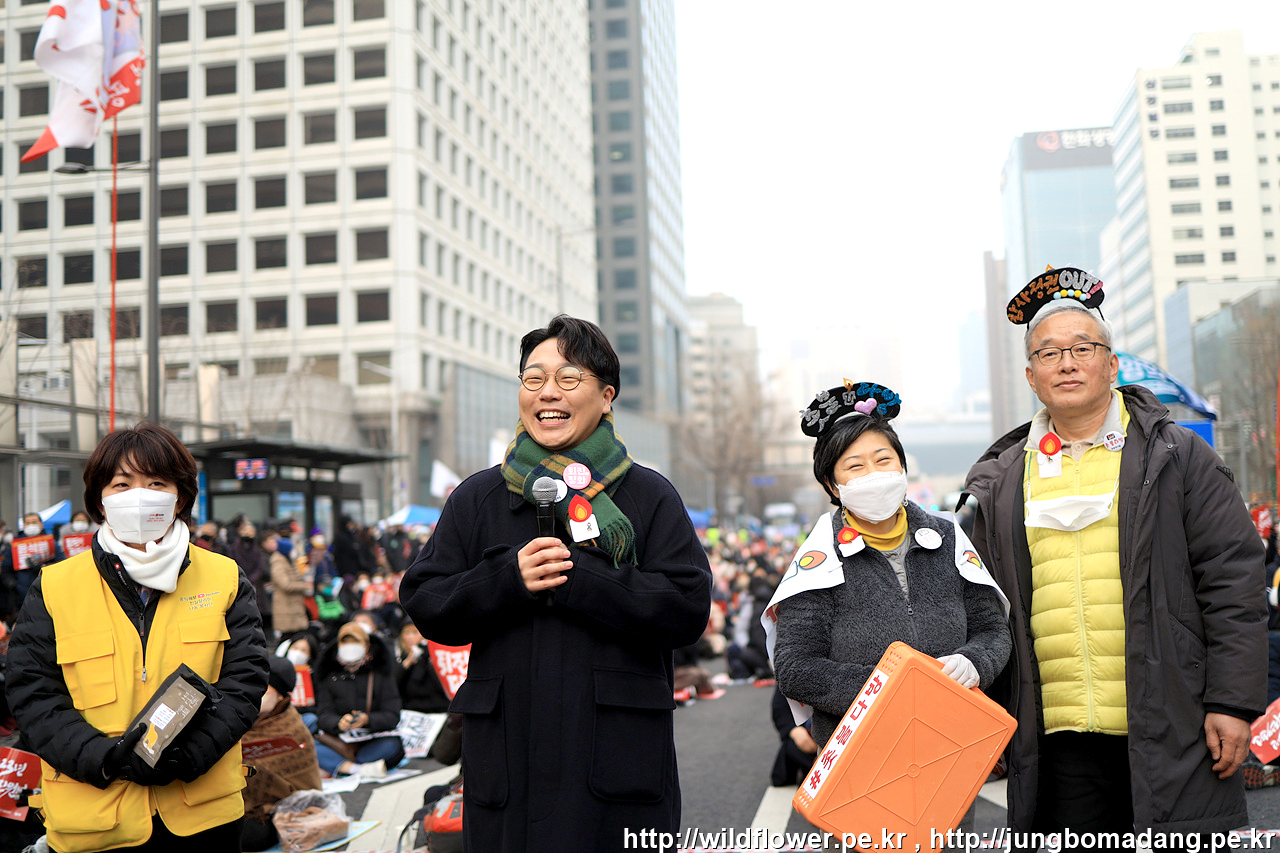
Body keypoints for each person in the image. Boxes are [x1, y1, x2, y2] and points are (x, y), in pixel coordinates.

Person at [962, 267, 1267, 842]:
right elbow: (981, 610)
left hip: (1175, 719)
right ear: (1031, 376)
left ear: (1112, 364)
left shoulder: (1177, 457)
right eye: (1049, 353)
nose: (1067, 363)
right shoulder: (1001, 481)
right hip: (1057, 735)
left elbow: (1234, 582)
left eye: (1083, 348)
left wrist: (1232, 702)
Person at [400, 314, 712, 853]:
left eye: (569, 378)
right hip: (507, 767)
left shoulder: (649, 495)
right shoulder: (478, 497)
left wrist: (579, 577)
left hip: (618, 766)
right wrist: (508, 577)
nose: (548, 392)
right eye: (534, 378)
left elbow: (686, 608)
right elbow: (426, 599)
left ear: (606, 396)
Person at [6, 422, 268, 852]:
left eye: (156, 483)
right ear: (100, 499)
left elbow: (245, 680)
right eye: (122, 484)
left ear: (180, 497)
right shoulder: (54, 585)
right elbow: (32, 694)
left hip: (204, 816)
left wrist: (191, 753)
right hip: (93, 819)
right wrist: (104, 758)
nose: (140, 496)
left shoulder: (223, 576)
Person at [767, 380, 1011, 834]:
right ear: (832, 484)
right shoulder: (817, 559)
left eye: (884, 461)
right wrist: (895, 690)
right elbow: (796, 668)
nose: (874, 475)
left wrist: (974, 662)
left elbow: (993, 630)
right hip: (863, 763)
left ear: (902, 467)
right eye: (854, 466)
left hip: (948, 752)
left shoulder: (948, 539)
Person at [241, 655, 324, 852]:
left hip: (281, 811)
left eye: (263, 687)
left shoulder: (289, 726)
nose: (254, 693)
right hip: (236, 804)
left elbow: (266, 777)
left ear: (280, 694)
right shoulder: (243, 720)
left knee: (246, 835)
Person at [312, 621, 405, 779]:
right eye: (345, 642)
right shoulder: (329, 675)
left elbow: (392, 715)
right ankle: (355, 769)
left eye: (355, 642)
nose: (350, 646)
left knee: (392, 746)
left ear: (367, 645)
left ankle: (340, 766)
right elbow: (323, 714)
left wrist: (367, 719)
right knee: (306, 743)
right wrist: (339, 722)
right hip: (339, 741)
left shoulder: (381, 673)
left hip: (373, 739)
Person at [267, 530, 314, 641]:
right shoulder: (278, 563)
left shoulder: (288, 561)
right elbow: (285, 584)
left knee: (297, 636)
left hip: (293, 607)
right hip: (285, 607)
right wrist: (304, 586)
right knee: (287, 638)